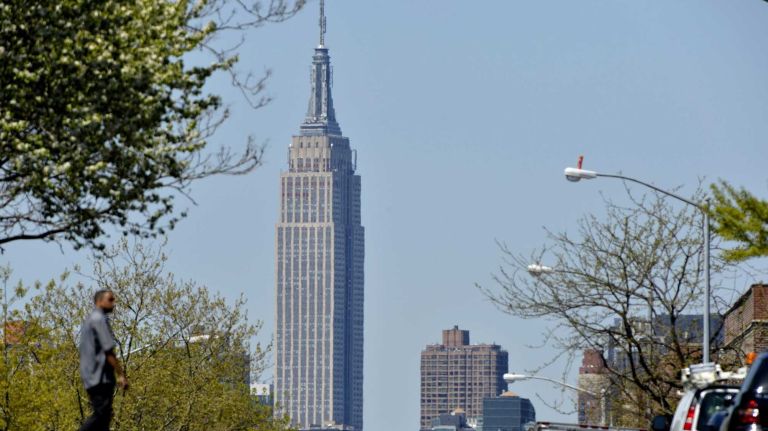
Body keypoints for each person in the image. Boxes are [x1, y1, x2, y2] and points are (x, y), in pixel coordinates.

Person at [78, 289, 129, 431]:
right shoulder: (99, 319)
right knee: (101, 415)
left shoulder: (88, 320)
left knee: (104, 420)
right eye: (111, 300)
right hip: (100, 377)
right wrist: (121, 374)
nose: (114, 303)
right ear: (99, 301)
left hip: (90, 377)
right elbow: (108, 350)